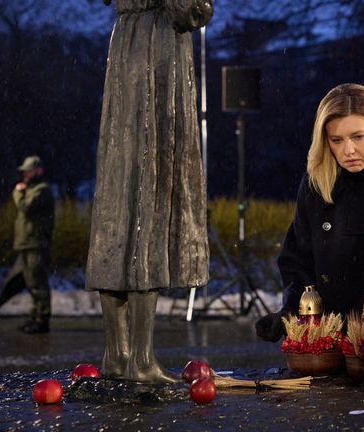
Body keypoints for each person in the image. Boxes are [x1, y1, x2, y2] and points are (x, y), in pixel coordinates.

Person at [86, 0, 213, 384]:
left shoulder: (122, 23)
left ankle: (117, 353)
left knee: (119, 194)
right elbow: (188, 10)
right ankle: (141, 359)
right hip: (158, 52)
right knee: (150, 191)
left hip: (125, 46)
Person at [255, 83, 364, 342]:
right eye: (337, 140)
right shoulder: (316, 185)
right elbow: (297, 261)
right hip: (325, 338)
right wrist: (289, 312)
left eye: (357, 137)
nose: (348, 150)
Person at [9, 155, 55, 334]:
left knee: (37, 281)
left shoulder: (42, 190)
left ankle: (42, 319)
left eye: (29, 171)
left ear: (38, 170)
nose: (26, 174)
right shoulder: (32, 189)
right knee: (30, 281)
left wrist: (17, 192)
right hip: (27, 243)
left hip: (37, 243)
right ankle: (35, 316)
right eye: (25, 171)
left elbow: (26, 207)